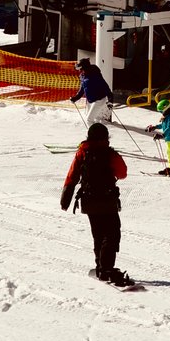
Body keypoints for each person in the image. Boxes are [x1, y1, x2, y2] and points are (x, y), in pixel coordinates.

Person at [60, 122, 133, 286]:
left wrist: (65, 200)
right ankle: (106, 268)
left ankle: (100, 266)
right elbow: (122, 173)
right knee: (111, 233)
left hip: (89, 200)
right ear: (106, 137)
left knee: (98, 233)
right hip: (107, 199)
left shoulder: (82, 153)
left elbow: (72, 176)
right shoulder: (110, 154)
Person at [74, 54, 114, 130]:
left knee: (89, 120)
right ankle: (97, 132)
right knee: (92, 119)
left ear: (85, 68)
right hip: (91, 100)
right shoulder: (83, 76)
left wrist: (110, 101)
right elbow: (83, 89)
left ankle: (94, 135)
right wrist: (75, 98)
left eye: (80, 69)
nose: (79, 71)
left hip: (99, 100)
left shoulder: (95, 76)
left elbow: (106, 88)